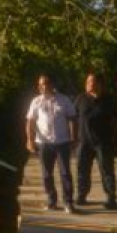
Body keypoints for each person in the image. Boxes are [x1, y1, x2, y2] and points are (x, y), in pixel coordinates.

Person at [25, 73, 77, 213]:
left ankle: (68, 202)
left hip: (62, 142)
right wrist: (29, 140)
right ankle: (52, 201)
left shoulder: (64, 100)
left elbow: (72, 118)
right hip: (43, 143)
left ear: (52, 84)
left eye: (46, 83)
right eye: (41, 84)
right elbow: (30, 122)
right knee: (46, 174)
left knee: (65, 172)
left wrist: (73, 138)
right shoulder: (36, 101)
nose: (43, 86)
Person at [74, 71, 117, 208]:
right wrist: (72, 137)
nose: (89, 84)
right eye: (87, 82)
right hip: (84, 141)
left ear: (100, 84)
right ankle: (81, 195)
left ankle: (111, 196)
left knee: (107, 170)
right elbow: (72, 118)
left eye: (92, 81)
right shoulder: (80, 98)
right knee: (82, 170)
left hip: (103, 142)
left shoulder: (109, 100)